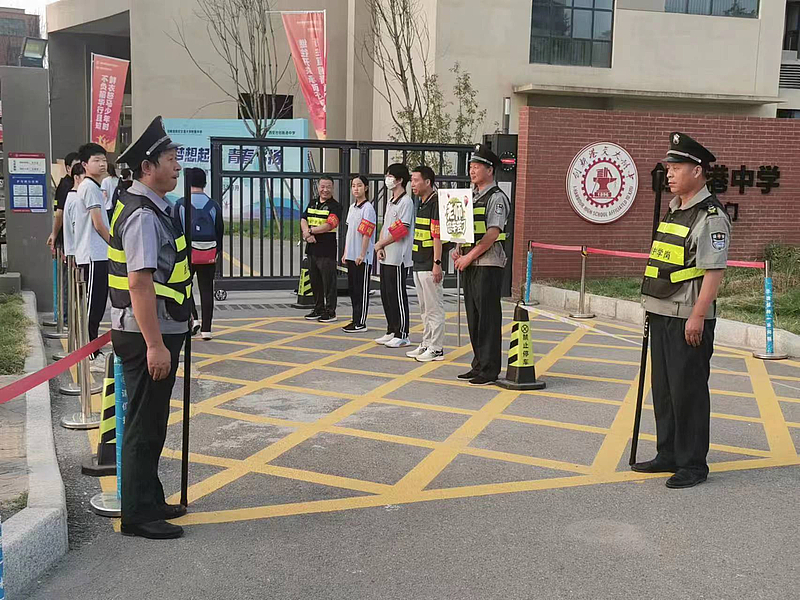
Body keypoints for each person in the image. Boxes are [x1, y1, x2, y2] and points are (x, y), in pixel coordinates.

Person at [631, 132, 731, 489]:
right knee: (665, 390)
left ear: (698, 171)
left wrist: (698, 316)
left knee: (688, 391)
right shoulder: (676, 208)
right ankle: (669, 453)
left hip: (687, 315)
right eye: (669, 168)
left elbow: (713, 271)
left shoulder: (710, 216)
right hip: (662, 311)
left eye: (676, 168)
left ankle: (692, 464)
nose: (669, 174)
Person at [109, 116, 191, 539]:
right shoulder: (142, 215)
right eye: (170, 158)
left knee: (153, 421)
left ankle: (150, 498)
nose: (178, 165)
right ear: (147, 167)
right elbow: (139, 284)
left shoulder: (157, 207)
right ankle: (137, 515)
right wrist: (155, 345)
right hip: (147, 334)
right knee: (143, 424)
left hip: (158, 328)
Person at [452, 144, 510, 385]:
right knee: (474, 318)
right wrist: (458, 250)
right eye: (471, 167)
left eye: (477, 167)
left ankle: (489, 369)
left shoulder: (496, 198)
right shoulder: (471, 197)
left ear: (490, 170)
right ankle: (478, 364)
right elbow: (465, 229)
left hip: (488, 263)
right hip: (471, 263)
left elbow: (492, 234)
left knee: (487, 318)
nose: (472, 171)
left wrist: (469, 257)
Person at [175, 168, 224, 340]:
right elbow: (220, 231)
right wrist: (217, 251)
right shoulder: (214, 205)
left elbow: (176, 231)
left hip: (187, 254)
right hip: (208, 252)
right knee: (206, 289)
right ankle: (207, 330)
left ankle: (193, 318)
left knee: (185, 287)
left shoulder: (181, 204)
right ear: (205, 183)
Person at [74, 142, 111, 370]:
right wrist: (115, 245)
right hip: (93, 255)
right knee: (92, 305)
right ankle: (89, 352)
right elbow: (98, 224)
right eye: (96, 160)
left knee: (97, 303)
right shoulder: (89, 187)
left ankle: (92, 348)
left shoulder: (94, 187)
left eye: (104, 159)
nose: (102, 164)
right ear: (85, 165)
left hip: (97, 255)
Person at [374, 164, 414, 349]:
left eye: (390, 176)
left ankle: (402, 333)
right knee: (387, 294)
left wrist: (382, 243)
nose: (387, 179)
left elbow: (402, 229)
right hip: (387, 255)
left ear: (399, 180)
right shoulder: (391, 201)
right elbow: (386, 226)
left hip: (399, 257)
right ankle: (391, 329)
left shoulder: (406, 202)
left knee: (398, 295)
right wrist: (380, 245)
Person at [407, 166, 445, 362]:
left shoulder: (436, 203)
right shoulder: (422, 202)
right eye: (411, 180)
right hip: (419, 262)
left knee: (434, 308)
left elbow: (437, 236)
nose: (412, 184)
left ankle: (436, 348)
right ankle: (426, 343)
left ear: (428, 182)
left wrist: (437, 263)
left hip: (430, 264)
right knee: (424, 309)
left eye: (416, 180)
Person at [301, 177, 343, 322]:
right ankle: (318, 308)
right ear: (318, 187)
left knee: (329, 283)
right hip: (312, 249)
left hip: (326, 251)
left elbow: (329, 225)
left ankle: (330, 311)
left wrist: (310, 231)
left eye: (328, 187)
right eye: (322, 186)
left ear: (333, 188)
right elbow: (303, 219)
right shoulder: (313, 203)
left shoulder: (335, 206)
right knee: (315, 281)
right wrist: (307, 233)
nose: (325, 190)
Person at [341, 175, 377, 333]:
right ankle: (355, 319)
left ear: (366, 188)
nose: (356, 189)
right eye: (353, 186)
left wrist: (362, 254)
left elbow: (367, 234)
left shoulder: (367, 209)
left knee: (361, 290)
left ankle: (360, 322)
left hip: (362, 258)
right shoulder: (352, 207)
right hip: (351, 256)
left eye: (359, 185)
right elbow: (350, 232)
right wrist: (346, 252)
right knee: (353, 289)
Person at [47, 151, 80, 253]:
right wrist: (54, 234)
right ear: (68, 168)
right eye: (76, 166)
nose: (80, 169)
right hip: (67, 236)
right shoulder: (66, 186)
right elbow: (59, 213)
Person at [62, 163, 86, 261]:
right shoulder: (76, 200)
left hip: (76, 251)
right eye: (85, 178)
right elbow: (78, 229)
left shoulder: (73, 197)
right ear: (76, 178)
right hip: (78, 252)